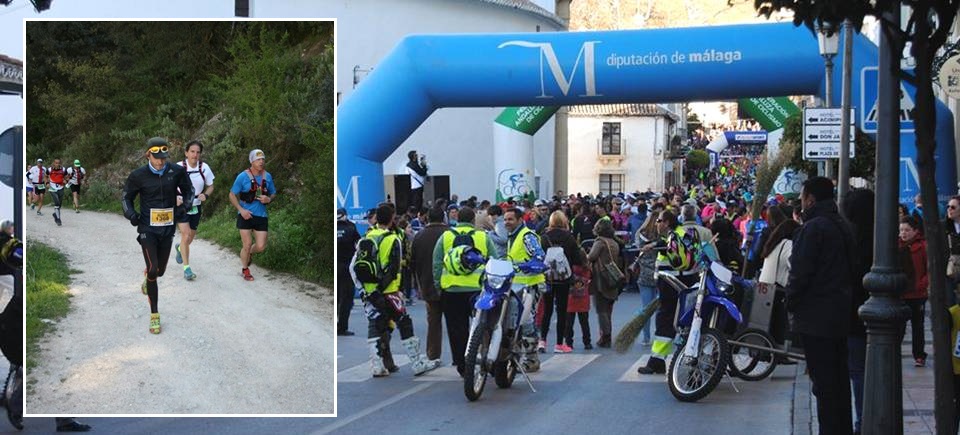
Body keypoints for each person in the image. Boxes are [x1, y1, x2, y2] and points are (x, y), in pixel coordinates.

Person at [786, 176, 854, 435]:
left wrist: (791, 302)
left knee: (824, 385)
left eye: (803, 198)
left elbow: (800, 273)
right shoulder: (840, 224)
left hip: (817, 318)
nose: (801, 203)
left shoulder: (813, 228)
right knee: (837, 383)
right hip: (838, 314)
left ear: (810, 199)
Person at [122, 137, 194, 334]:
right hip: (147, 228)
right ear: (148, 155)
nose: (160, 161)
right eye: (156, 158)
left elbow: (189, 191)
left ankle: (149, 278)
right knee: (153, 269)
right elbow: (126, 197)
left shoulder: (177, 172)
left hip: (167, 228)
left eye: (163, 157)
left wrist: (185, 207)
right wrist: (131, 214)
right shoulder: (138, 175)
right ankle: (154, 315)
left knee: (159, 272)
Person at [363, 204, 439, 377]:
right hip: (389, 291)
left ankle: (376, 365)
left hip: (370, 292)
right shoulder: (393, 239)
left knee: (376, 325)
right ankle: (416, 362)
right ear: (392, 218)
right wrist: (393, 289)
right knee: (404, 323)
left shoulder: (367, 236)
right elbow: (395, 268)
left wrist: (369, 291)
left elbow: (356, 267)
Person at [637, 210, 702, 374]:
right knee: (686, 319)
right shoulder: (685, 233)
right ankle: (688, 357)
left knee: (665, 319)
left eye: (659, 220)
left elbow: (671, 254)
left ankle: (657, 360)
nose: (657, 223)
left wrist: (655, 246)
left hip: (672, 283)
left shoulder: (673, 237)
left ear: (666, 223)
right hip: (688, 281)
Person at [432, 206, 493, 375]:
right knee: (483, 326)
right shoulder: (483, 237)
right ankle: (483, 357)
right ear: (473, 220)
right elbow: (494, 260)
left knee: (456, 329)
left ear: (457, 218)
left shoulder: (445, 237)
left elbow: (436, 264)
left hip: (451, 291)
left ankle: (461, 364)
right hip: (478, 291)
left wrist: (439, 285)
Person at [841, 188, 874, 435]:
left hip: (855, 314)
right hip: (878, 315)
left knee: (859, 371)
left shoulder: (850, 239)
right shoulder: (882, 235)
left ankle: (864, 422)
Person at [504, 207, 546, 371]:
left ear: (520, 219)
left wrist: (532, 264)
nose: (507, 222)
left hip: (531, 285)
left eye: (510, 219)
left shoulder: (527, 236)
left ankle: (532, 359)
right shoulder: (511, 236)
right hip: (514, 285)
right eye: (505, 219)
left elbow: (539, 255)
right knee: (513, 320)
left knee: (527, 321)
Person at [228, 149, 276, 282]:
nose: (261, 162)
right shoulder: (243, 177)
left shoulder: (268, 176)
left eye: (263, 159)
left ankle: (247, 253)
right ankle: (245, 269)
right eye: (258, 159)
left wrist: (269, 199)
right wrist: (241, 209)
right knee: (247, 243)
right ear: (251, 161)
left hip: (261, 215)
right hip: (245, 214)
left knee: (260, 246)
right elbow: (232, 194)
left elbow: (273, 193)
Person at [539, 210, 583, 353]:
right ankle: (559, 344)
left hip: (548, 277)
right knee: (562, 311)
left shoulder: (544, 237)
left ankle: (542, 341)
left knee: (547, 310)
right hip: (564, 279)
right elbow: (577, 259)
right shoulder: (568, 237)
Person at [174, 140, 215, 281]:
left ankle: (180, 248)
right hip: (181, 206)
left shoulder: (204, 168)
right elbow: (167, 185)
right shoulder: (178, 167)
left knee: (190, 237)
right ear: (186, 153)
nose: (195, 155)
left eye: (198, 152)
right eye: (192, 151)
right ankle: (187, 269)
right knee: (185, 235)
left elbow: (211, 185)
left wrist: (206, 194)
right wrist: (175, 197)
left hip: (196, 205)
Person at [411, 206, 447, 362]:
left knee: (433, 322)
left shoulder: (419, 236)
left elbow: (413, 262)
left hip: (427, 284)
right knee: (456, 323)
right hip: (450, 285)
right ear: (443, 217)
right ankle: (461, 356)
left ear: (427, 218)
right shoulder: (450, 234)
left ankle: (433, 354)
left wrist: (417, 284)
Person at [898, 215, 928, 367]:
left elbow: (929, 269)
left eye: (907, 230)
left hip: (917, 293)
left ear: (915, 231)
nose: (903, 233)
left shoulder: (922, 246)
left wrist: (921, 284)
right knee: (899, 326)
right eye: (901, 230)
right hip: (901, 292)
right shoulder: (895, 245)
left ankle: (919, 355)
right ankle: (895, 351)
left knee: (918, 326)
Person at [587, 218, 622, 348]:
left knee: (601, 309)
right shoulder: (614, 242)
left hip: (600, 278)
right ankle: (607, 334)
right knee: (608, 309)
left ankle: (605, 336)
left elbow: (591, 257)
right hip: (613, 277)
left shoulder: (600, 242)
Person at [336, 208, 360, 336]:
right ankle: (342, 327)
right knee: (346, 298)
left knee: (337, 297)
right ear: (345, 216)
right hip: (347, 267)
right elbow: (359, 244)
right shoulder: (351, 227)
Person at [47, 158, 67, 226]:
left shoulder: (63, 169)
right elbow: (45, 176)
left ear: (60, 163)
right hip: (52, 188)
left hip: (60, 187)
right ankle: (58, 219)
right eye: (56, 163)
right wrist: (47, 183)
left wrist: (65, 181)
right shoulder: (50, 169)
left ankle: (55, 214)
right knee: (57, 202)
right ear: (53, 163)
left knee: (59, 205)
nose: (57, 164)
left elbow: (67, 176)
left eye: (58, 163)